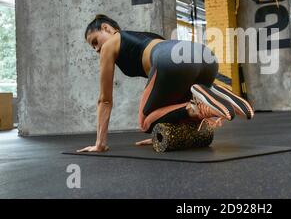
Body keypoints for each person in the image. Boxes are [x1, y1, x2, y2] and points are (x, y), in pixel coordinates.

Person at [77, 15, 254, 152]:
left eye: (95, 42)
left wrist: (100, 144)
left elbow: (105, 100)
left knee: (146, 122)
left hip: (171, 60)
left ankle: (198, 106)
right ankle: (213, 90)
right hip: (205, 57)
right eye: (93, 48)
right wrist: (161, 130)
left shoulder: (111, 44)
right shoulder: (147, 36)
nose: (97, 49)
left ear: (106, 28)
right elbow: (170, 90)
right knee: (170, 109)